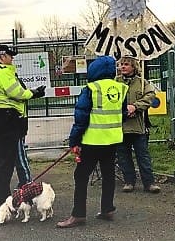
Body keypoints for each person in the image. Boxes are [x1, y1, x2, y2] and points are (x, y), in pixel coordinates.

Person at [57, 56, 133, 229]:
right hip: (112, 140)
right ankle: (107, 209)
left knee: (81, 176)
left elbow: (81, 118)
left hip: (92, 141)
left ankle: (78, 215)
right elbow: (122, 114)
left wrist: (74, 140)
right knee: (108, 175)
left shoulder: (90, 89)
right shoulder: (121, 88)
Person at [0, 44, 45, 211]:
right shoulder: (3, 72)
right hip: (8, 121)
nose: (12, 58)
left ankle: (1, 201)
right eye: (10, 55)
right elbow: (17, 93)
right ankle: (5, 203)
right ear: (1, 57)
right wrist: (34, 93)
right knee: (7, 163)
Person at [116, 56, 161, 193]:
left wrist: (135, 107)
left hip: (138, 126)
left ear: (134, 66)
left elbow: (150, 97)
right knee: (124, 156)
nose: (123, 67)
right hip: (121, 127)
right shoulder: (115, 82)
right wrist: (122, 109)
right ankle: (129, 181)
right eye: (121, 64)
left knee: (143, 156)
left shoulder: (142, 83)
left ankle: (149, 183)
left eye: (126, 64)